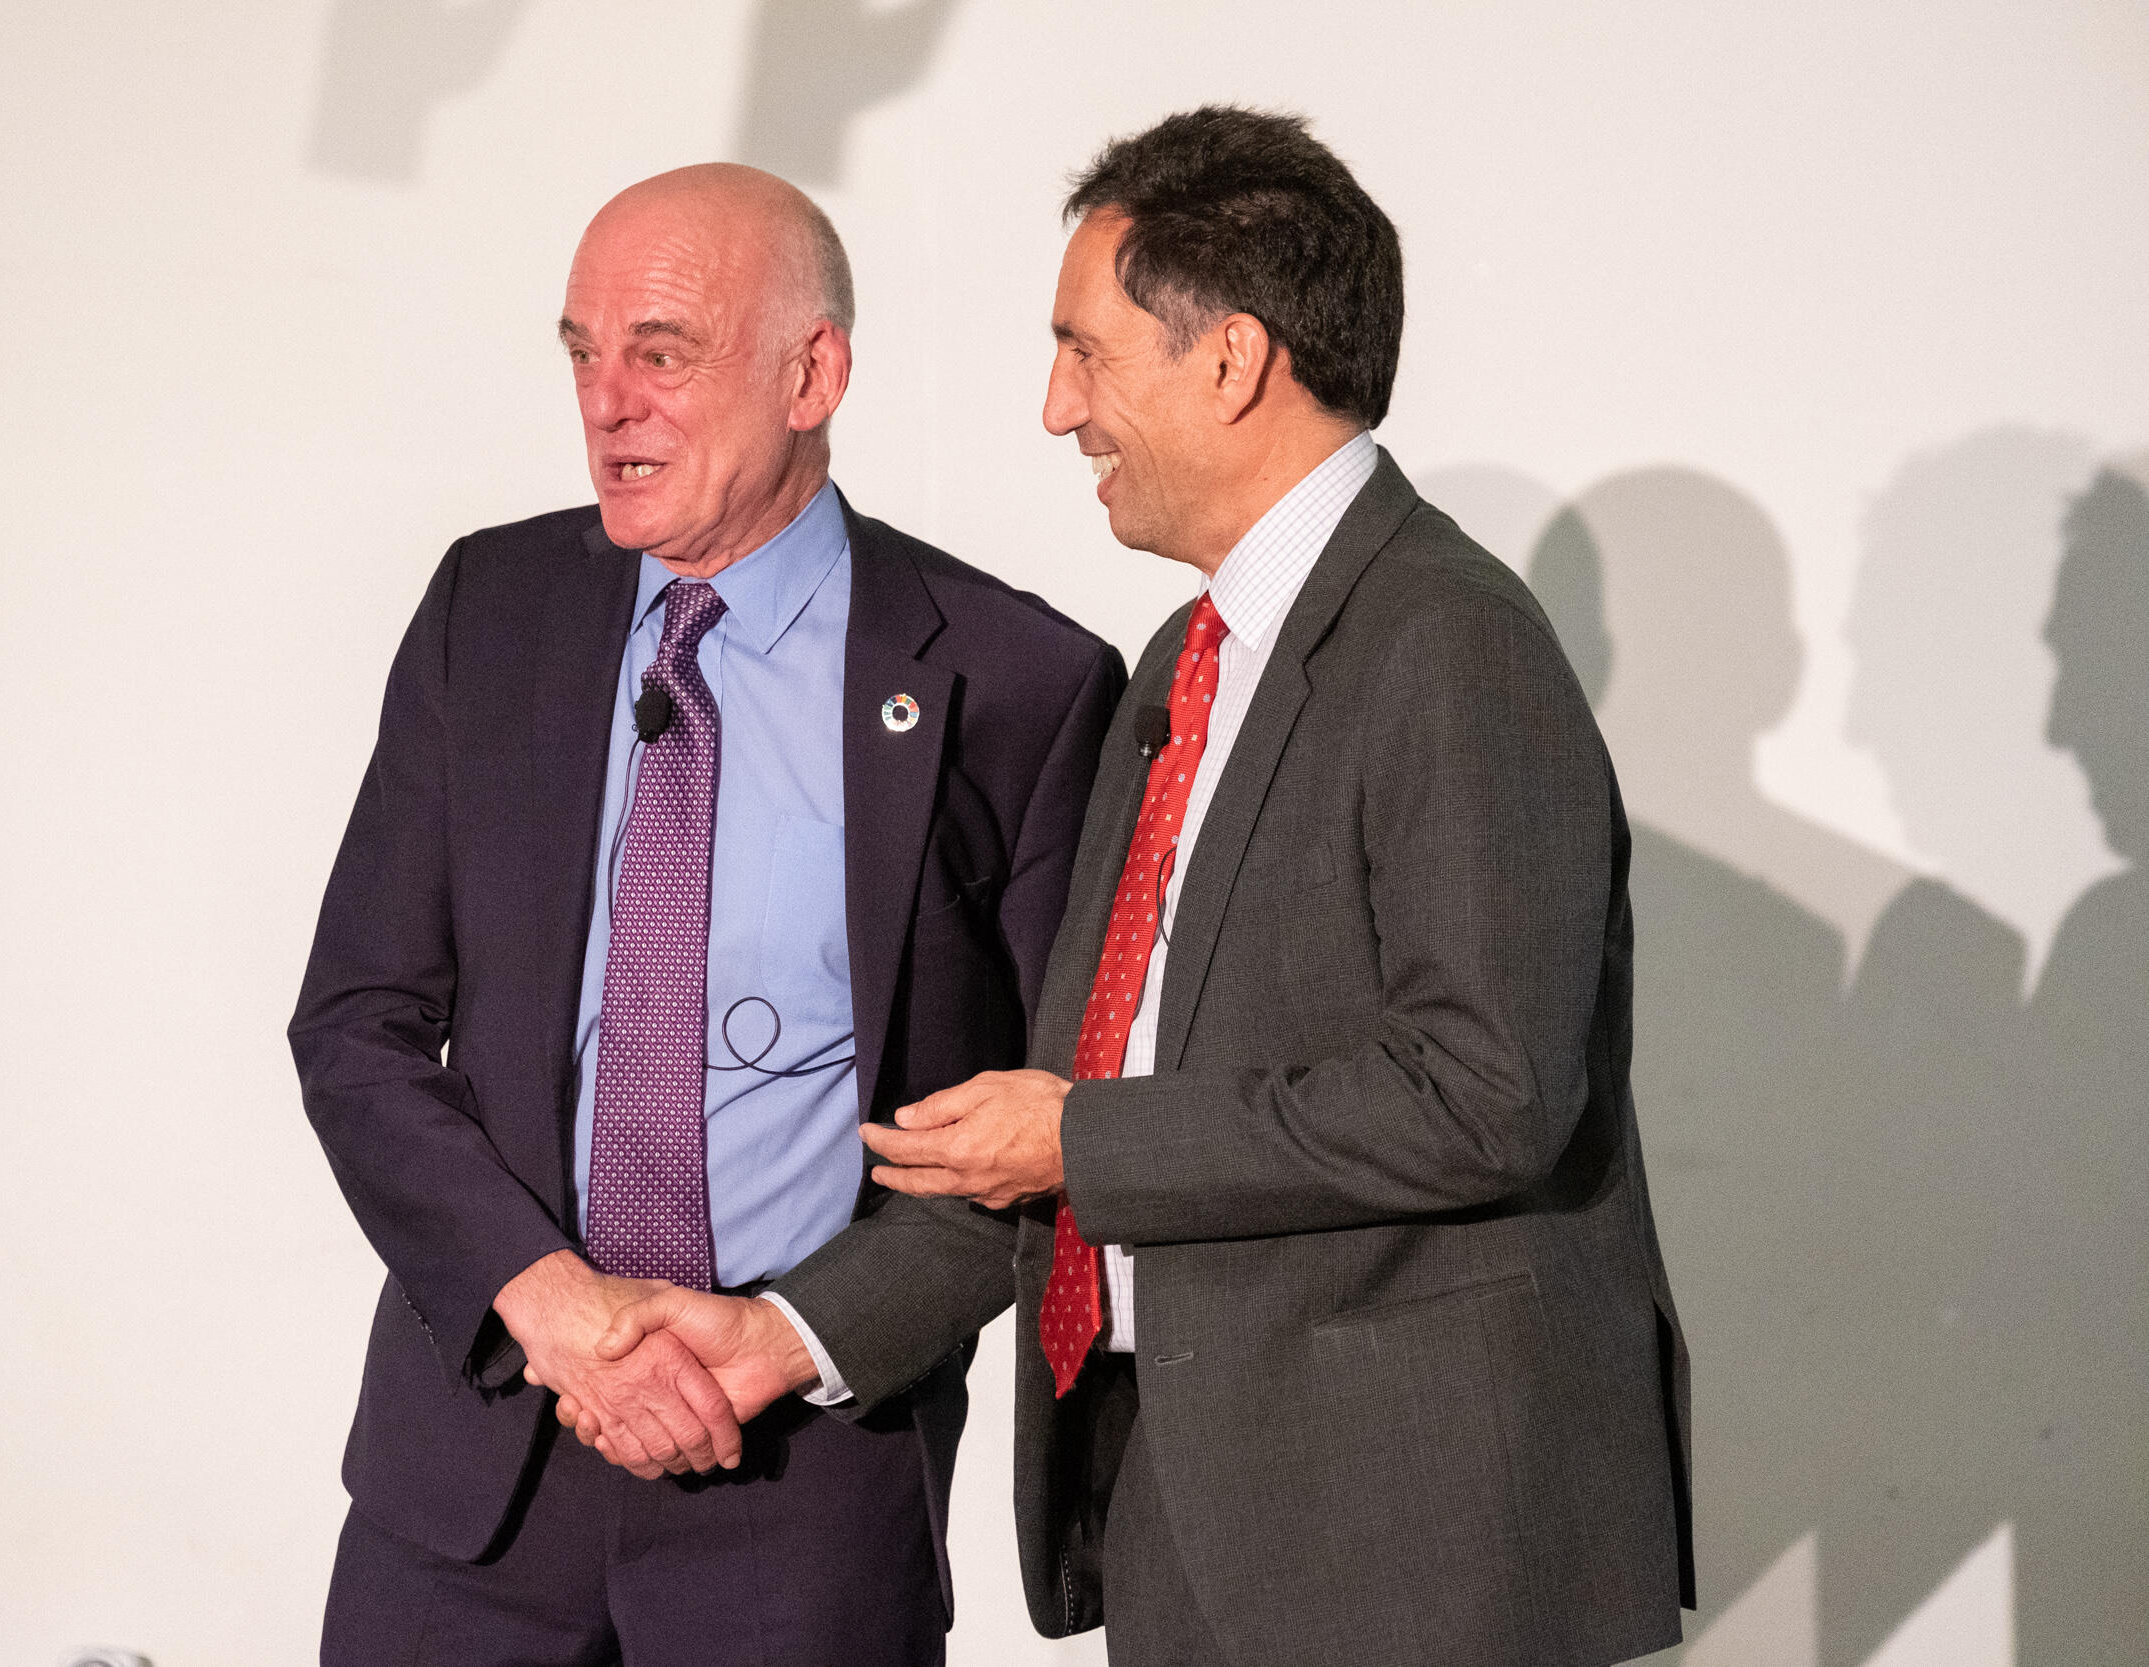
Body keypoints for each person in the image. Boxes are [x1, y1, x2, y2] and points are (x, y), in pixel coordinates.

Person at [586, 108, 1694, 1666]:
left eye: (1086, 352)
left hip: (1410, 1548)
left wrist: (1078, 1135)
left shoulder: (1448, 641)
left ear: (1232, 363)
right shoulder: (1186, 663)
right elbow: (1069, 1109)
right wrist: (783, 1336)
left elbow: (1490, 1087)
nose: (1056, 409)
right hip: (1193, 1511)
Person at [289, 162, 1123, 1666]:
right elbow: (358, 1024)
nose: (609, 403)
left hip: (804, 1493)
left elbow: (1049, 1133)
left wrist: (787, 1343)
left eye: (660, 353)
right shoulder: (493, 611)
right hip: (480, 1468)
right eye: (582, 355)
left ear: (814, 373)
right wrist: (553, 1309)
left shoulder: (1019, 685)